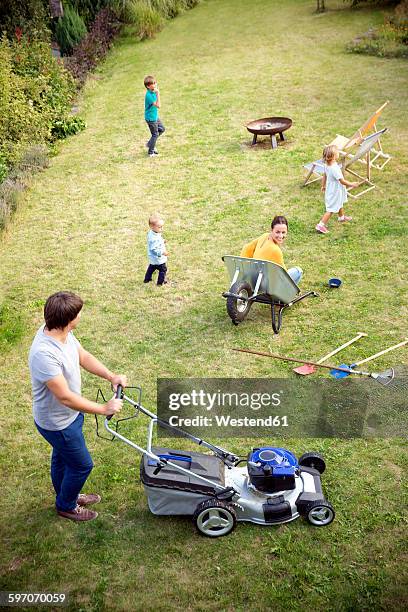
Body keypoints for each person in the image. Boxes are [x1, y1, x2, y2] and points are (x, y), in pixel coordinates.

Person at [29, 292, 127, 522]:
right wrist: (104, 408)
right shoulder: (44, 354)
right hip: (58, 422)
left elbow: (83, 356)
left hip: (69, 417)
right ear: (69, 319)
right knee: (82, 465)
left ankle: (66, 494)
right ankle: (66, 505)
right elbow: (65, 397)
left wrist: (111, 376)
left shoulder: (62, 333)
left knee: (62, 458)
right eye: (79, 313)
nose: (81, 315)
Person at [240, 215, 302, 284]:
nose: (281, 236)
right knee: (298, 271)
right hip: (267, 285)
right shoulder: (275, 250)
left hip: (253, 278)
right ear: (271, 230)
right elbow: (284, 275)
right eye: (277, 232)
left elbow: (247, 248)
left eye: (283, 232)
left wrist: (245, 268)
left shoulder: (264, 236)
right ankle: (287, 294)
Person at [315, 144, 358, 234]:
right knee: (331, 209)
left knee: (339, 202)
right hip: (335, 191)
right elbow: (342, 181)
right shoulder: (334, 168)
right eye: (337, 152)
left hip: (332, 189)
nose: (338, 153)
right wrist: (352, 184)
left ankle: (341, 217)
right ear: (334, 156)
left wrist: (323, 185)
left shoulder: (327, 165)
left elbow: (325, 175)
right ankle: (321, 225)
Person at [144, 213, 168, 286]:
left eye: (162, 227)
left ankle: (147, 279)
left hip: (153, 258)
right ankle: (160, 282)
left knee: (152, 267)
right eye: (159, 227)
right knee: (163, 269)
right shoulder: (153, 238)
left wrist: (162, 241)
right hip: (158, 258)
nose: (161, 229)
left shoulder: (153, 232)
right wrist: (162, 252)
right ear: (152, 227)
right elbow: (153, 249)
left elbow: (157, 241)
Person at [144, 75, 165, 157]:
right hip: (151, 118)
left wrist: (156, 93)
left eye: (155, 82)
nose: (155, 84)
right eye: (153, 83)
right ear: (148, 86)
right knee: (155, 134)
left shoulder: (152, 92)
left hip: (155, 116)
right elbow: (158, 105)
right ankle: (151, 152)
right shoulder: (149, 95)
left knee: (162, 129)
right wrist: (158, 93)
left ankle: (150, 143)